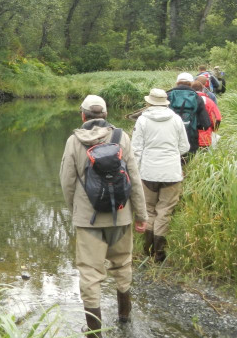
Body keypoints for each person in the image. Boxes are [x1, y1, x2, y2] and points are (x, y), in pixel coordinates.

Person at [60, 95, 147, 335]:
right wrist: (141, 214)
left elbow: (67, 182)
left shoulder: (73, 141)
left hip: (88, 220)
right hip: (121, 215)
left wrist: (75, 210)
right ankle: (125, 318)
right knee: (122, 264)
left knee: (90, 272)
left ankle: (94, 331)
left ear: (83, 116)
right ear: (105, 115)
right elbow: (134, 177)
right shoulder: (121, 138)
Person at [131, 88, 189, 262]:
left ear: (149, 102)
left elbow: (136, 149)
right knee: (165, 211)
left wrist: (137, 170)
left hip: (148, 172)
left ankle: (147, 251)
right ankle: (160, 254)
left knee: (149, 209)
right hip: (171, 173)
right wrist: (171, 155)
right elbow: (185, 147)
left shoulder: (142, 120)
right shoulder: (176, 119)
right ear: (165, 102)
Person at [167, 73, 211, 156]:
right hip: (191, 139)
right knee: (186, 164)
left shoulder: (167, 96)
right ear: (191, 83)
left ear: (177, 82)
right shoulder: (197, 97)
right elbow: (205, 124)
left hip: (169, 139)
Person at [191, 81, 222, 148]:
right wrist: (213, 130)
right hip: (205, 138)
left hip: (189, 138)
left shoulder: (187, 100)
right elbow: (217, 118)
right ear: (202, 89)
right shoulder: (208, 101)